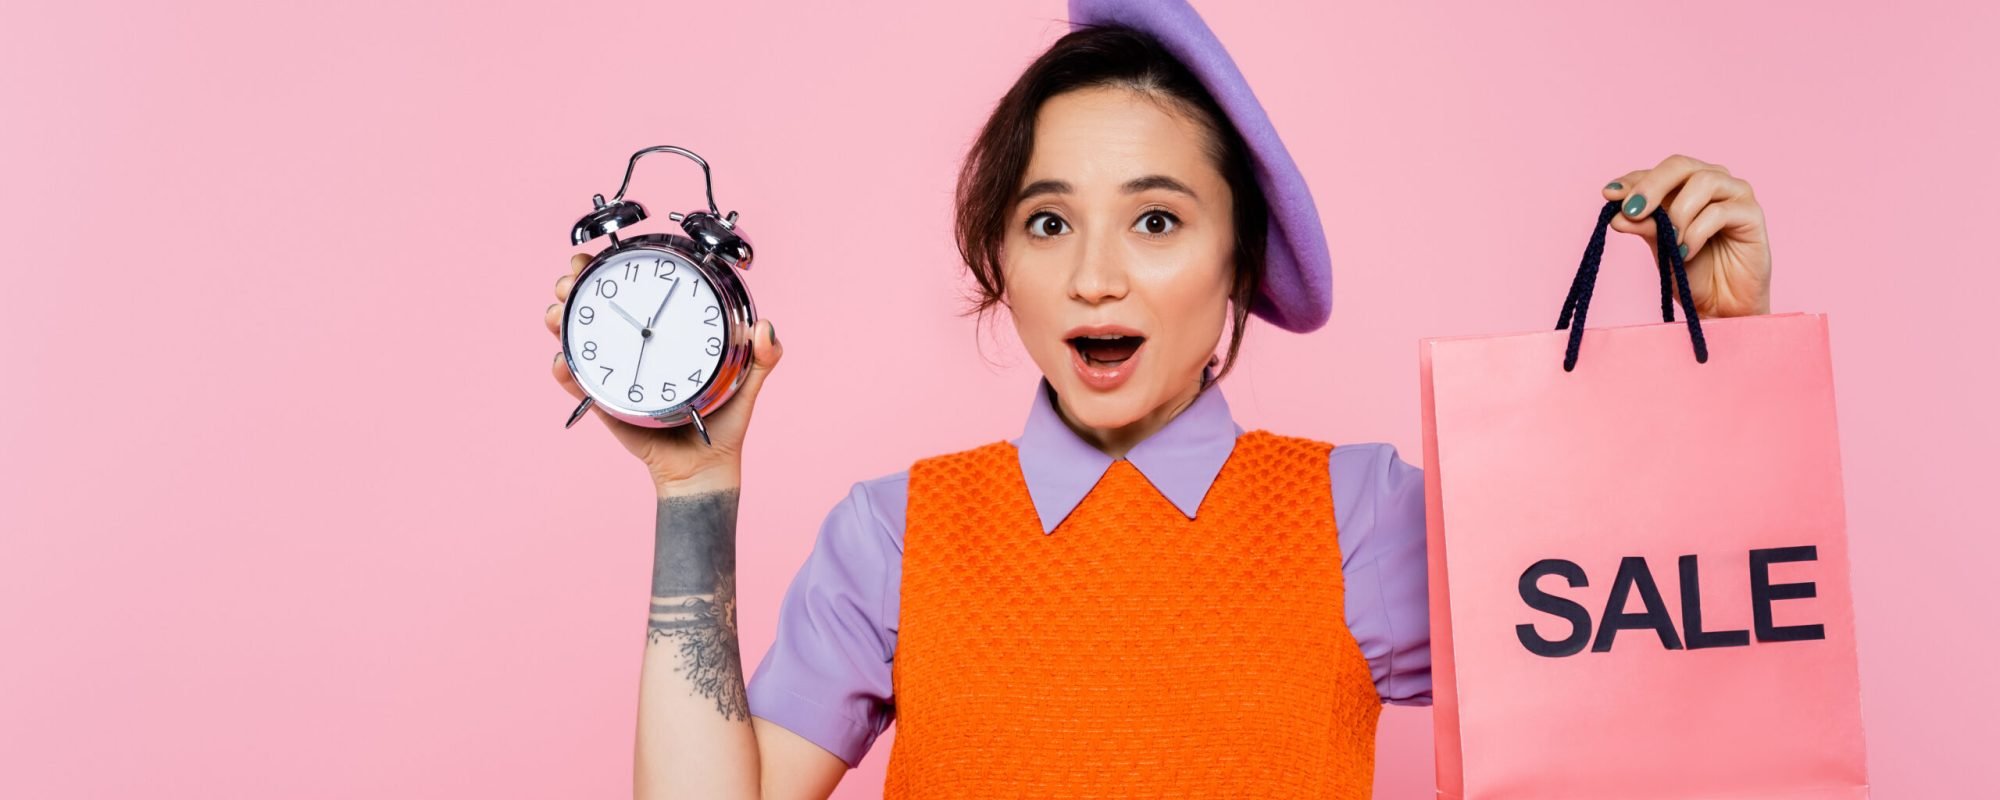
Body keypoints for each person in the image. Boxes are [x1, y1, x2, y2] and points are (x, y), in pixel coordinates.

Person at [541, 1, 1775, 797]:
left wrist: (1717, 361)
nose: (1094, 275)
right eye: (1045, 221)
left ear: (1237, 260)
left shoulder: (1358, 514)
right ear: (998, 263)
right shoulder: (895, 536)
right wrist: (693, 487)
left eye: (1155, 218)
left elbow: (1666, 661)